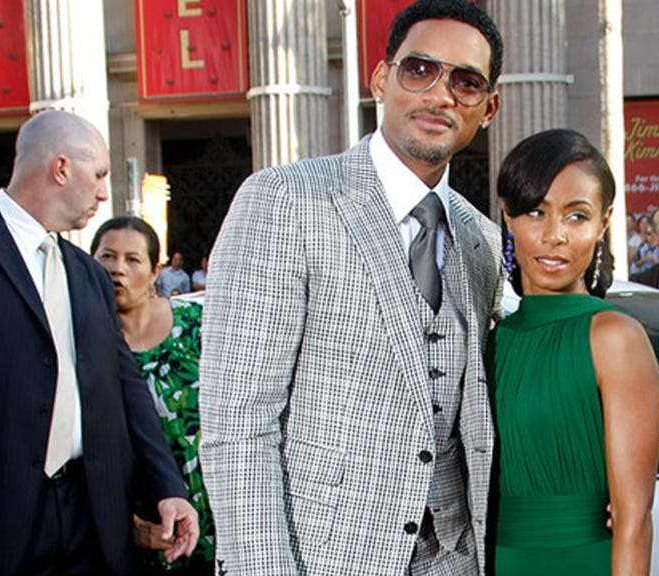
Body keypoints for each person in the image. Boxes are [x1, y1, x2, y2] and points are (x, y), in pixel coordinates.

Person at [198, 1, 505, 574]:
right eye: (420, 70)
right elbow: (238, 427)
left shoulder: (481, 238)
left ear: (488, 108)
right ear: (381, 79)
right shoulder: (286, 200)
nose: (440, 95)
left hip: (453, 559)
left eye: (465, 82)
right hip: (322, 560)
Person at [0, 110, 198, 575]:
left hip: (94, 519)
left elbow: (126, 387)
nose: (102, 192)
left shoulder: (87, 275)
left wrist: (167, 487)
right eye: (98, 174)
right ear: (61, 168)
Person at [490, 129, 659, 575]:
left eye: (577, 216)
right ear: (507, 215)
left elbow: (633, 520)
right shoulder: (491, 338)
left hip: (583, 561)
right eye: (536, 212)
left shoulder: (614, 337)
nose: (555, 236)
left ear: (603, 223)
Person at [91, 217, 214, 575]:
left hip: (219, 502)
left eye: (132, 259)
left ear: (154, 270)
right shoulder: (86, 346)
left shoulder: (197, 323)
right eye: (107, 257)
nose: (118, 269)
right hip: (148, 522)